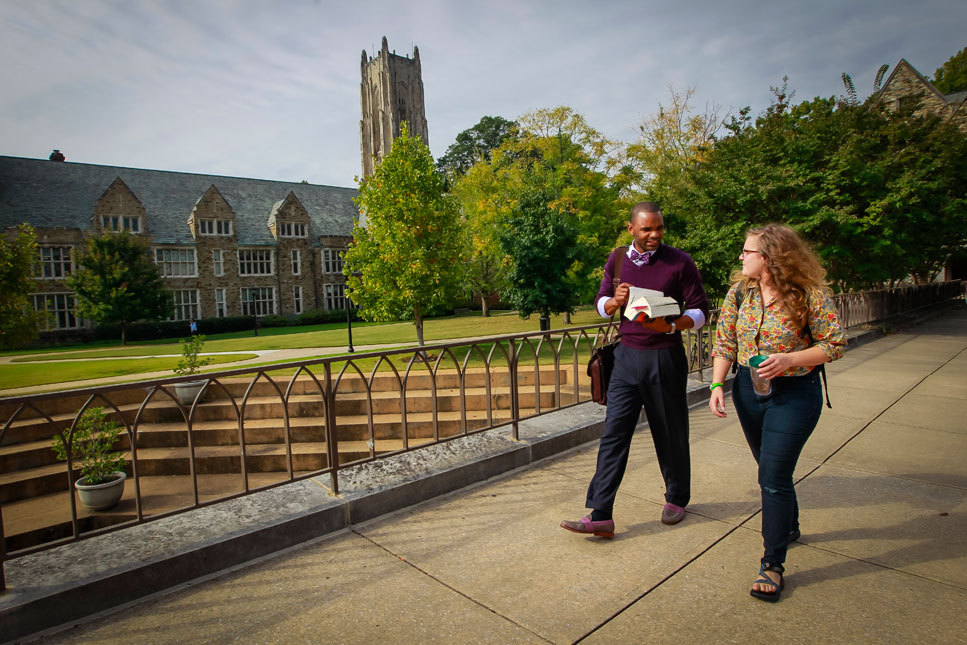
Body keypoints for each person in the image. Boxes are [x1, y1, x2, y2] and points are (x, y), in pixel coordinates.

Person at [708, 223, 845, 603]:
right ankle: (790, 525)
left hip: (795, 393)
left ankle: (772, 564)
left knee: (771, 474)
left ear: (769, 258)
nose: (741, 257)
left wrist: (789, 360)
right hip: (749, 391)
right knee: (772, 468)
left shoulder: (808, 295)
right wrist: (718, 384)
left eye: (747, 252)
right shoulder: (740, 292)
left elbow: (834, 345)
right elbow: (725, 341)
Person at [562, 202, 710, 538]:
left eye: (659, 227)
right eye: (647, 229)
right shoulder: (616, 259)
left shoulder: (680, 261)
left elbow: (700, 309)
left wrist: (673, 327)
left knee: (669, 432)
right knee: (614, 434)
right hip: (626, 358)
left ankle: (676, 497)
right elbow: (601, 304)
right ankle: (600, 513)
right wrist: (614, 301)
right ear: (631, 229)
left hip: (665, 357)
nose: (654, 235)